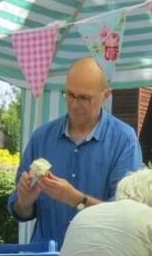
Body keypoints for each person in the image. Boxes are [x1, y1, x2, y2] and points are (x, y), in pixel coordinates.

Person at [8, 57, 143, 245]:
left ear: (106, 95)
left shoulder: (124, 140)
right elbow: (20, 212)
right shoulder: (41, 138)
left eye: (84, 98)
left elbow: (127, 215)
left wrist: (75, 199)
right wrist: (25, 202)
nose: (74, 104)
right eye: (69, 94)